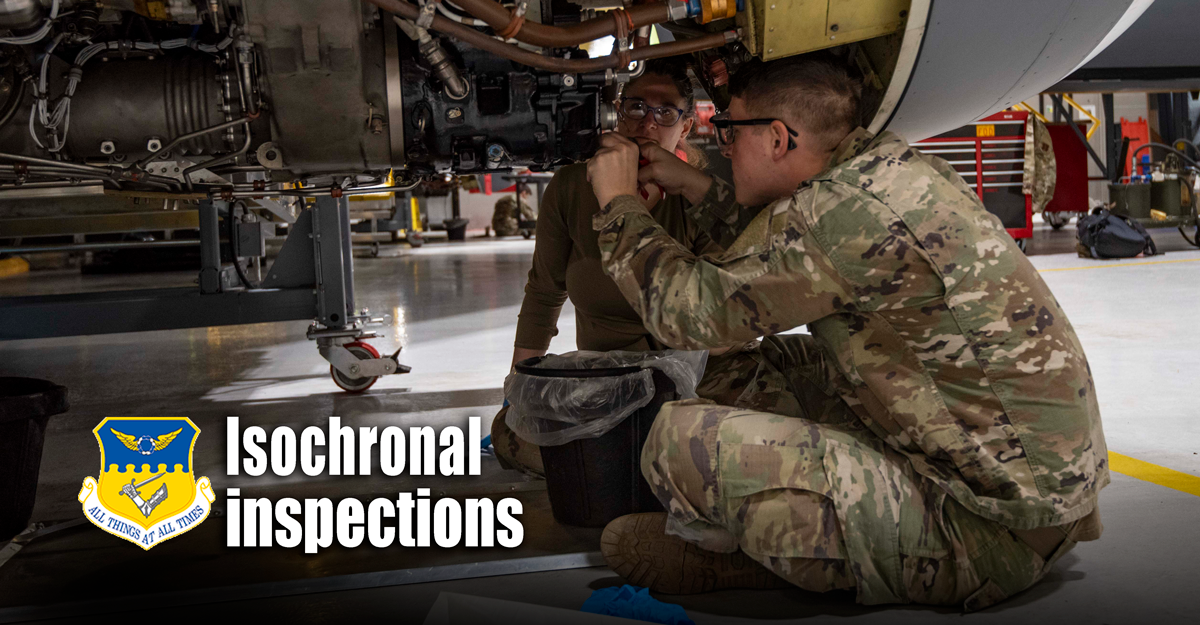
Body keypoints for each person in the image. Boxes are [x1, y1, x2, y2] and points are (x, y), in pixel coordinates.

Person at [585, 57, 1107, 610]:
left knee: (679, 439)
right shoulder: (884, 170)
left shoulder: (836, 217)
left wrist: (618, 206)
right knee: (728, 365)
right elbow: (785, 254)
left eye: (729, 131)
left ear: (779, 139)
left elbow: (685, 313)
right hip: (1015, 476)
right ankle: (820, 509)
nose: (725, 146)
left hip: (991, 521)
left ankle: (793, 558)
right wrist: (691, 183)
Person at [494, 58, 779, 475]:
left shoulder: (703, 196)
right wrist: (518, 387)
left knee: (743, 434)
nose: (648, 122)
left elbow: (728, 319)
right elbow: (544, 292)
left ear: (685, 127)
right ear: (615, 112)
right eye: (636, 107)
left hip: (703, 381)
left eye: (665, 112)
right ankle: (654, 466)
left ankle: (637, 465)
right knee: (512, 433)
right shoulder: (572, 187)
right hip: (607, 381)